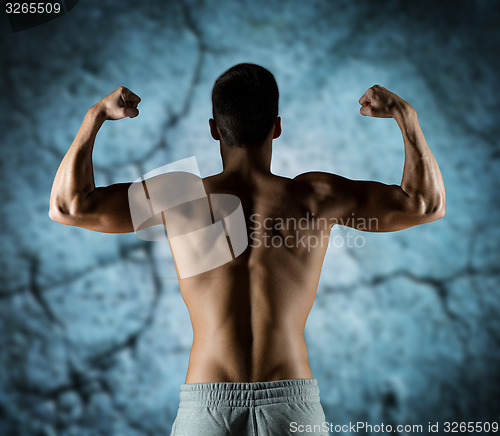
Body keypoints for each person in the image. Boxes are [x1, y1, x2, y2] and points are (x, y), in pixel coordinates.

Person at [49, 63, 445, 435]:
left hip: (207, 405)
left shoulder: (182, 197)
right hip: (291, 404)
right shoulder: (315, 196)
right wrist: (404, 116)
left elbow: (68, 206)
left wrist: (95, 117)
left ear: (213, 129)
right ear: (276, 128)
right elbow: (426, 204)